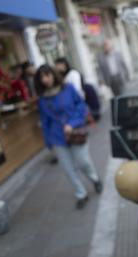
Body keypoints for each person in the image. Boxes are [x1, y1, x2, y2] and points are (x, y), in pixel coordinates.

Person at [35, 64, 102, 209]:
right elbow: (45, 122)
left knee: (83, 161)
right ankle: (81, 194)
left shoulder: (68, 88)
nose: (45, 79)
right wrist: (48, 143)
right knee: (68, 169)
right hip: (57, 137)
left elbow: (82, 107)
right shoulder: (42, 100)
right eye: (41, 77)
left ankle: (95, 178)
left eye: (47, 75)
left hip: (76, 132)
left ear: (53, 74)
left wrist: (72, 123)